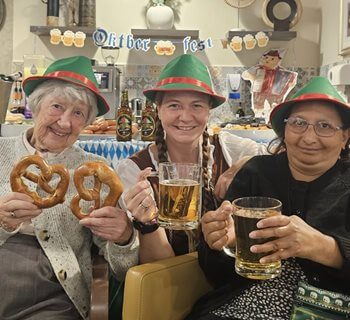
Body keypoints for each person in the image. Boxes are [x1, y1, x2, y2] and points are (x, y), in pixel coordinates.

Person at [186, 76, 350, 320]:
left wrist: (325, 248)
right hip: (238, 307)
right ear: (284, 130)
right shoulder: (256, 172)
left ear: (345, 137)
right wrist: (220, 244)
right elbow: (217, 275)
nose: (309, 137)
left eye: (325, 126)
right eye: (299, 123)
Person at [0, 56, 138, 320]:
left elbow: (121, 269)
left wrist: (124, 237)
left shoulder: (95, 170)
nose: (64, 122)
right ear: (37, 107)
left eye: (78, 114)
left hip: (51, 296)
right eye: (56, 106)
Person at [117, 54, 264, 263]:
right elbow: (153, 268)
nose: (185, 117)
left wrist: (237, 168)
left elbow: (278, 154)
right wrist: (148, 223)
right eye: (174, 106)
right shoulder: (135, 170)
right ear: (158, 110)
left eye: (197, 106)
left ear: (209, 112)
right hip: (167, 281)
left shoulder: (228, 148)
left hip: (227, 281)